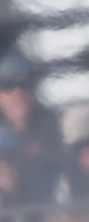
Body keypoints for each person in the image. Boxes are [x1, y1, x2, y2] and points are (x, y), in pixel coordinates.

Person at [0, 52, 66, 205]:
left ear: (35, 88)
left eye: (24, 83)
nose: (17, 92)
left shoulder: (62, 130)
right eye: (8, 86)